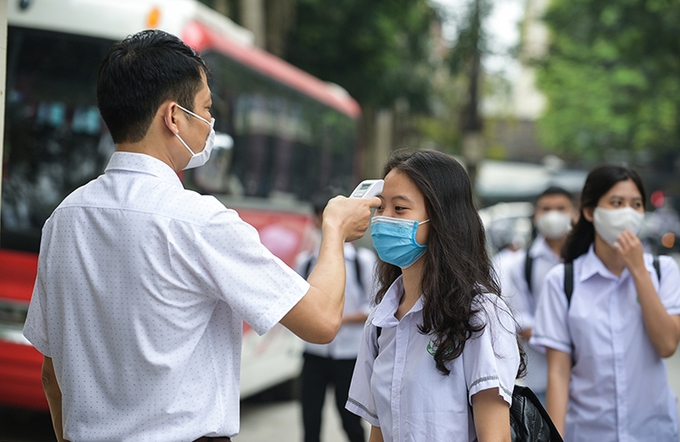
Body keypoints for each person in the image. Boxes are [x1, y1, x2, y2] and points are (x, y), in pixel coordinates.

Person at [22, 30, 379, 442]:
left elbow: (52, 375)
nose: (211, 125)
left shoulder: (63, 219)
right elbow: (320, 321)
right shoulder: (200, 221)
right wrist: (333, 230)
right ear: (173, 117)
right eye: (206, 109)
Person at [345, 150, 525, 442]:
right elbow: (379, 429)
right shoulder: (381, 321)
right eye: (380, 208)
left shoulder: (479, 314)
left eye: (400, 209)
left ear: (441, 219)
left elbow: (496, 437)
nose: (383, 220)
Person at [530, 164, 680, 441]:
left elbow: (667, 344)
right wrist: (555, 437)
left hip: (654, 431)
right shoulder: (563, 280)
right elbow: (559, 372)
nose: (627, 212)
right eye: (616, 203)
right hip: (588, 432)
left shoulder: (663, 271)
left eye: (636, 204)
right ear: (590, 212)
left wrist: (638, 272)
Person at [296, 192, 376, 442]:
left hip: (349, 355)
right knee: (310, 420)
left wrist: (335, 319)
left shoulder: (362, 261)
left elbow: (374, 307)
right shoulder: (306, 262)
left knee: (351, 420)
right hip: (314, 354)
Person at [501, 186, 575, 403]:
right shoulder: (522, 264)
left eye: (561, 208)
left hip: (584, 378)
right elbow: (520, 316)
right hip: (540, 378)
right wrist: (555, 342)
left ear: (575, 212)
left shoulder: (586, 260)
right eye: (546, 208)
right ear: (536, 214)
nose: (554, 215)